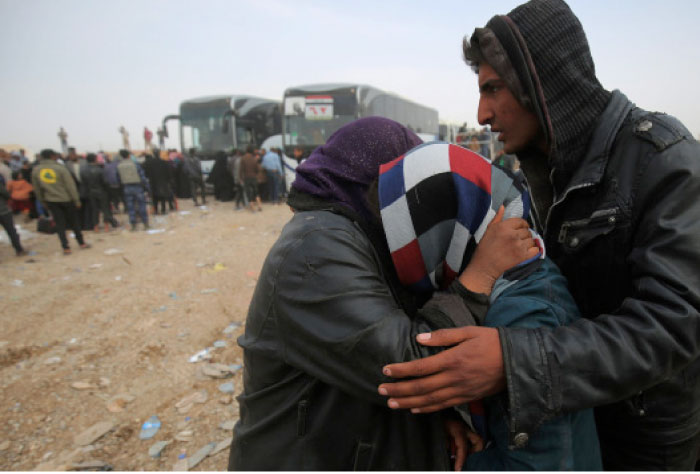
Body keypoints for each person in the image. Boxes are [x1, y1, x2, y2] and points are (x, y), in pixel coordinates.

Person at [378, 0, 700, 470]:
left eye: (493, 89)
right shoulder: (544, 173)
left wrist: (512, 363)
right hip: (568, 422)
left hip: (642, 443)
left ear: (542, 82)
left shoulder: (663, 160)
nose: (482, 113)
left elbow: (676, 325)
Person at [228, 117, 539, 470]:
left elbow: (366, 360)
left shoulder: (356, 236)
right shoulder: (315, 249)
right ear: (377, 182)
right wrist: (482, 273)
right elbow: (409, 363)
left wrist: (432, 424)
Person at [377, 141, 601, 470]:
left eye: (414, 228)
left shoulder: (521, 310)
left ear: (448, 226)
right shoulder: (518, 275)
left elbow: (540, 462)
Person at [31, 149, 90, 254]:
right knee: (74, 222)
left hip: (51, 200)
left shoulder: (36, 170)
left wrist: (42, 202)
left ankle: (65, 247)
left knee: (60, 224)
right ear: (53, 156)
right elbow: (70, 186)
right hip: (66, 199)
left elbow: (37, 189)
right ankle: (81, 243)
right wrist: (76, 200)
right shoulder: (60, 168)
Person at [80, 153, 118, 231]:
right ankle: (106, 226)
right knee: (105, 209)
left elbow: (83, 183)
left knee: (94, 210)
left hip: (91, 192)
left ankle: (96, 227)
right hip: (101, 192)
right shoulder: (100, 170)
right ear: (95, 159)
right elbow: (105, 182)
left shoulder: (83, 171)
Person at [116, 149, 150, 231]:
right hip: (137, 187)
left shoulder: (119, 166)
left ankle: (133, 225)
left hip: (127, 187)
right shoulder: (135, 164)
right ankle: (145, 224)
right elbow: (142, 176)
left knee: (130, 207)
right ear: (128, 155)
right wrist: (147, 187)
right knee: (141, 205)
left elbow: (118, 178)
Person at [0, 175, 26, 257]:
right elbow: (5, 193)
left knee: (11, 230)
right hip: (3, 210)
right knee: (11, 230)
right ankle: (19, 250)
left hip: (3, 210)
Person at [238, 145, 262, 212]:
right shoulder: (254, 158)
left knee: (249, 193)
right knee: (256, 192)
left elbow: (241, 170)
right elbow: (257, 169)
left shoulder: (243, 158)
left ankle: (253, 208)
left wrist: (240, 178)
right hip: (254, 177)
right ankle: (260, 206)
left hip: (247, 177)